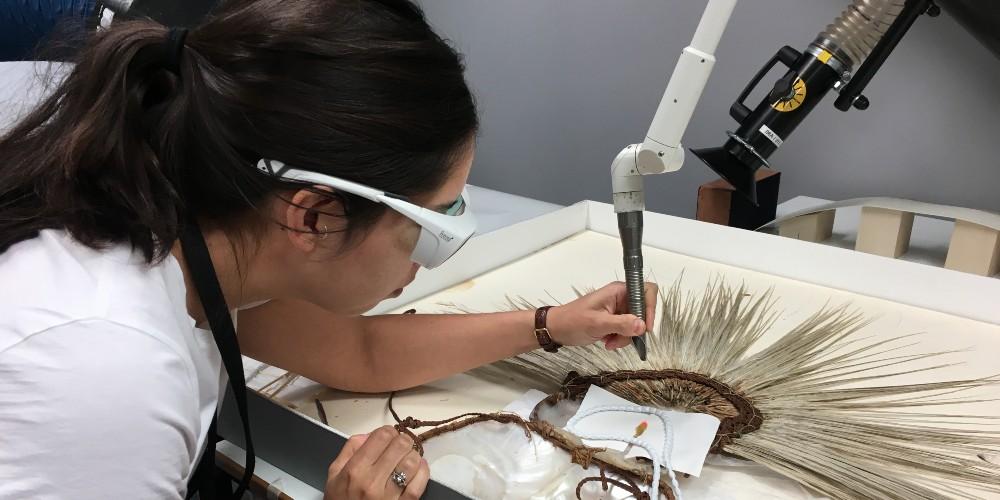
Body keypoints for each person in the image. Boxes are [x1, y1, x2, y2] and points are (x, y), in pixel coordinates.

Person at [0, 0, 656, 498]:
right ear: (314, 215)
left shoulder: (190, 224)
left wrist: (556, 325)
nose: (428, 259)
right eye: (429, 227)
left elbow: (357, 352)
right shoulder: (102, 373)